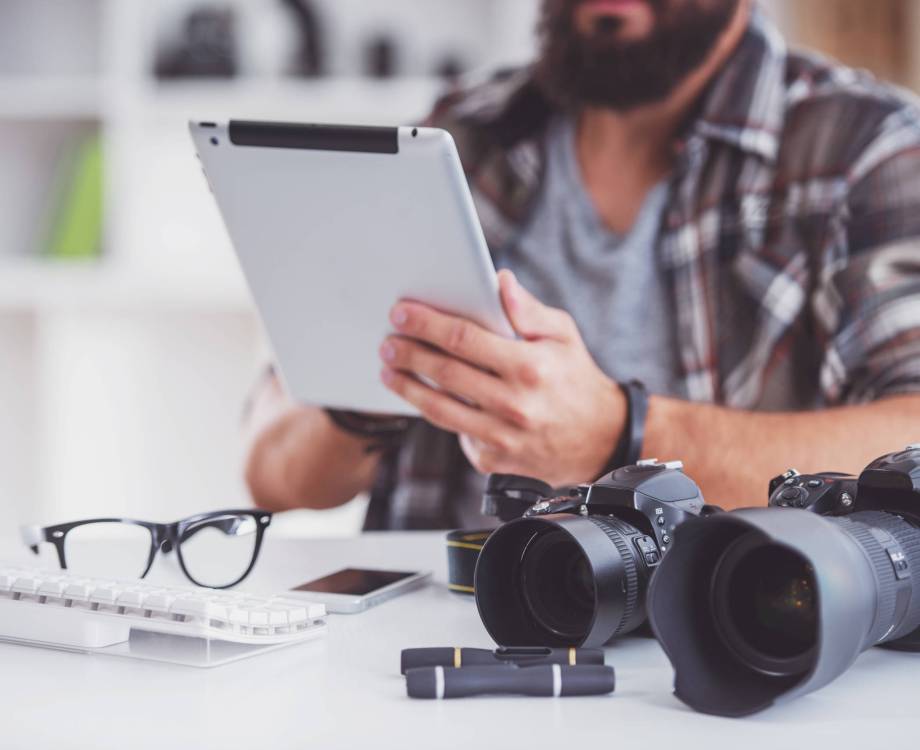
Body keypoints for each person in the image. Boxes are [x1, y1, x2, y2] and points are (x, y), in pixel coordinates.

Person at [244, 0, 920, 529]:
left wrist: (618, 437)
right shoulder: (462, 135)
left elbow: (910, 440)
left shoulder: (866, 148)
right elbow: (273, 473)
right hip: (434, 649)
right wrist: (382, 388)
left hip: (719, 659)